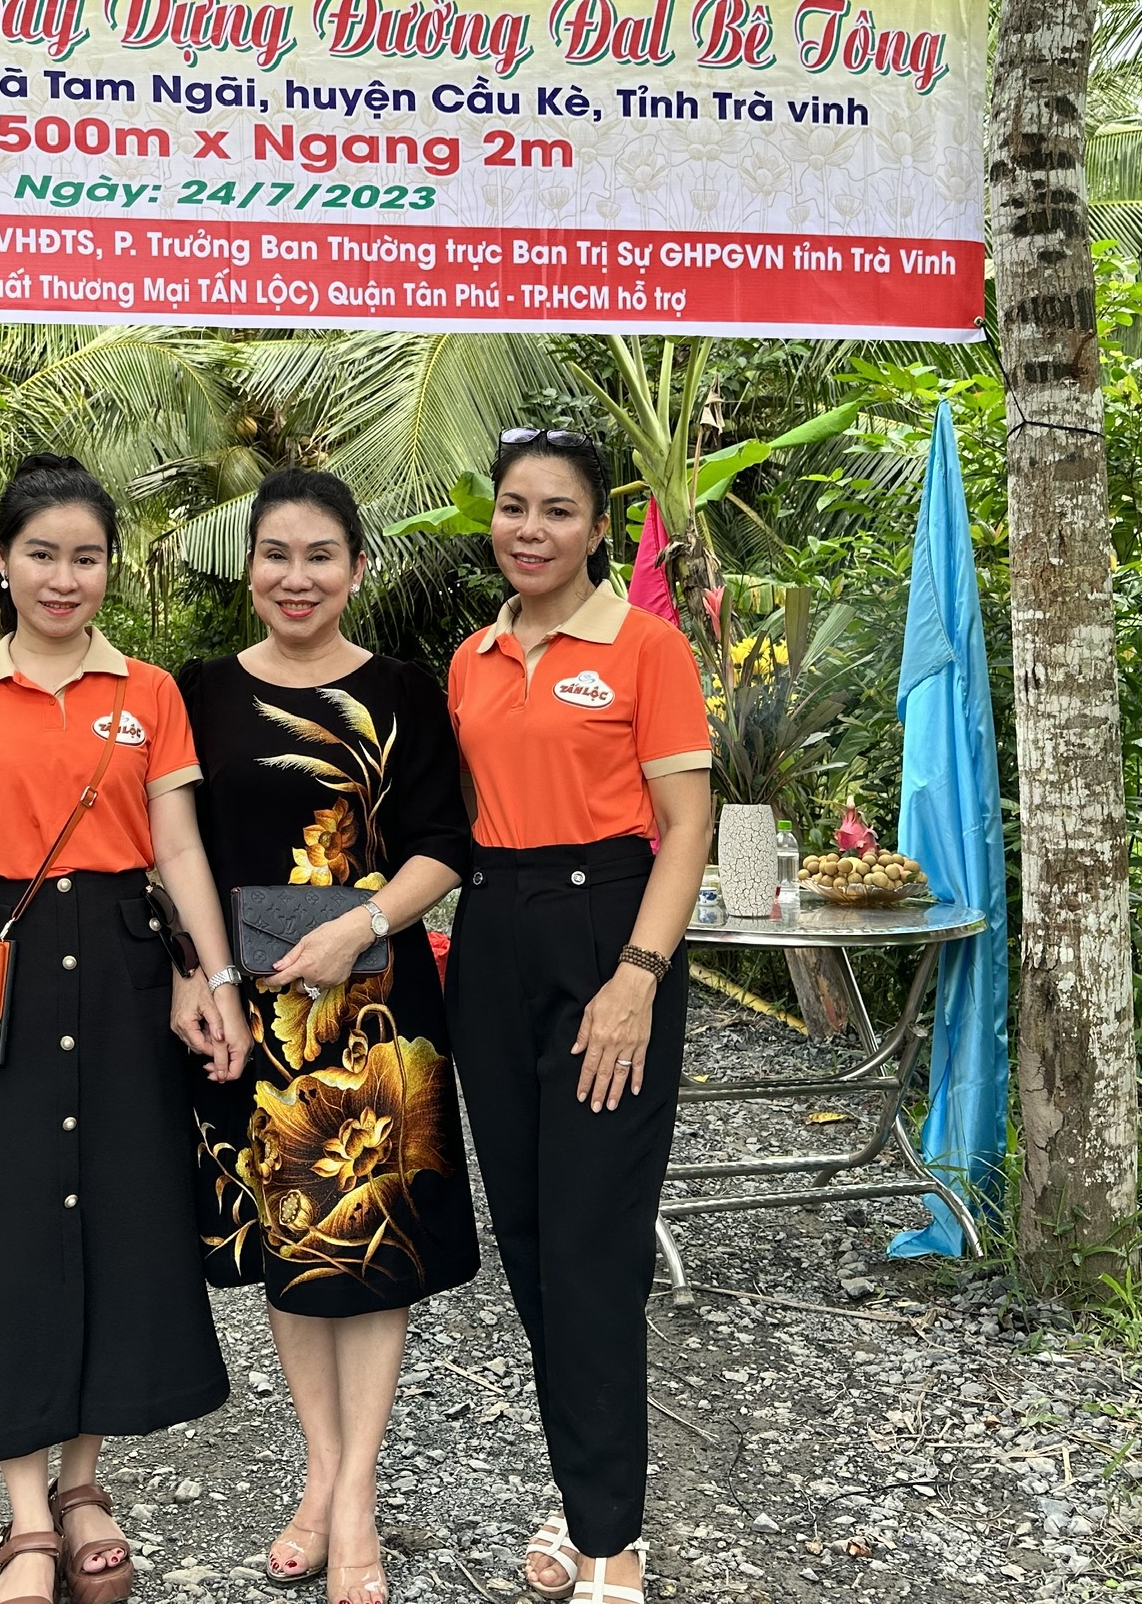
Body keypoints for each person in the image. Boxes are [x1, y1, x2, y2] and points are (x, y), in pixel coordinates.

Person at [0, 453, 251, 1604]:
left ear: (109, 569)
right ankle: (24, 1516)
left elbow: (178, 848)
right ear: (0, 564)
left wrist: (215, 979)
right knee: (0, 1227)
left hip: (125, 972)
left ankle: (84, 1481)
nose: (63, 578)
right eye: (41, 555)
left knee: (115, 1212)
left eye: (86, 558)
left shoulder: (148, 693)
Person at [180, 469, 479, 1604]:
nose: (295, 578)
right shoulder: (196, 693)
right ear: (248, 566)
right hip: (247, 1006)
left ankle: (352, 1500)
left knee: (373, 1243)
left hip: (374, 1009)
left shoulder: (401, 689)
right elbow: (170, 851)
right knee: (290, 1243)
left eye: (320, 556)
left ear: (356, 569)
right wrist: (195, 976)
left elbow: (445, 843)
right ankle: (320, 1475)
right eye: (276, 555)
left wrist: (361, 922)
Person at [443, 430, 713, 1604]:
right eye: (513, 507)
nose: (531, 529)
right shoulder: (470, 659)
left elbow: (687, 825)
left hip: (608, 930)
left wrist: (637, 975)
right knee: (530, 1241)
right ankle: (583, 1486)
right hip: (493, 935)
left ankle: (611, 1536)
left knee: (594, 1243)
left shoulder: (646, 647)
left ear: (599, 529)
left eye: (558, 510)